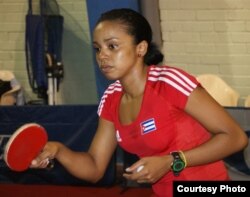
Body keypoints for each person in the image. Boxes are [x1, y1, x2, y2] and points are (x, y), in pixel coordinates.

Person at [31, 8, 248, 197]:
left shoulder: (169, 83)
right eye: (98, 48)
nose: (102, 56)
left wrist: (171, 161)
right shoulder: (111, 99)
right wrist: (59, 150)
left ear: (141, 49)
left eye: (112, 46)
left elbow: (236, 138)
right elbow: (95, 168)